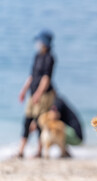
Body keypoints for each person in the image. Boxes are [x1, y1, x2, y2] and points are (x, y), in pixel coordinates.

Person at [17, 30, 56, 158]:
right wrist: (24, 90)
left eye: (40, 41)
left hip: (43, 95)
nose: (38, 43)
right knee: (27, 121)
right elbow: (32, 76)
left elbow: (46, 78)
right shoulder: (37, 56)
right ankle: (21, 151)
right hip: (32, 93)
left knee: (40, 123)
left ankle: (39, 151)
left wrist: (39, 93)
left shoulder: (50, 58)